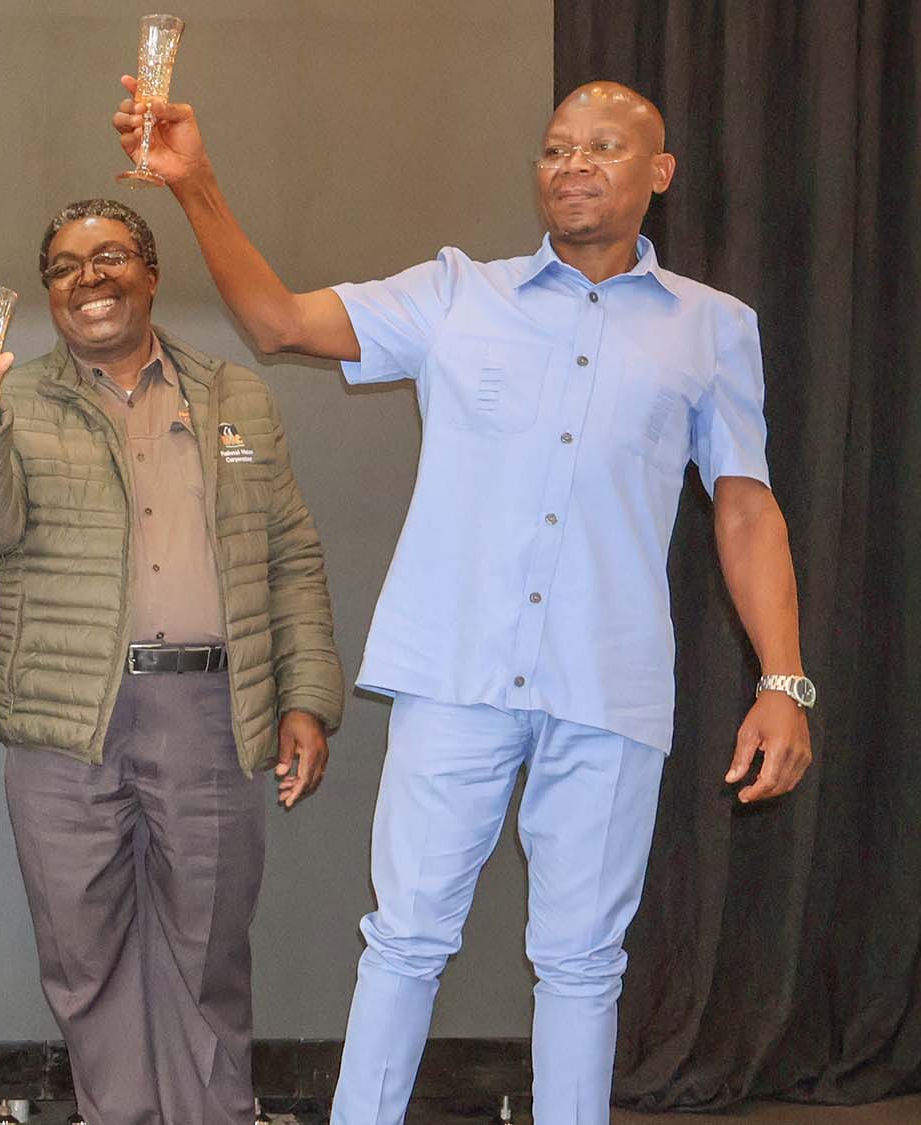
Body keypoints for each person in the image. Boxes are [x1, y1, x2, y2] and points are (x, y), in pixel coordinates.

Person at [115, 79, 816, 1124]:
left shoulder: (712, 330)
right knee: (402, 940)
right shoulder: (451, 294)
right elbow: (275, 321)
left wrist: (782, 681)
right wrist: (195, 183)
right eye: (554, 147)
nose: (571, 163)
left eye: (603, 147)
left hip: (607, 682)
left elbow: (746, 511)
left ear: (657, 174)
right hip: (451, 671)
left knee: (582, 962)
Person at [0, 196, 345, 1124]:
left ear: (152, 274)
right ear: (48, 293)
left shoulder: (235, 395)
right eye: (68, 266)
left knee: (207, 954)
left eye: (111, 256)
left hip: (211, 712)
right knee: (85, 958)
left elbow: (292, 556)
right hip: (67, 722)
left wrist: (308, 697)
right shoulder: (14, 397)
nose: (90, 279)